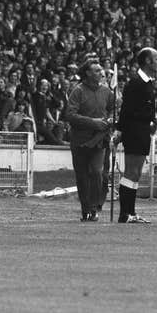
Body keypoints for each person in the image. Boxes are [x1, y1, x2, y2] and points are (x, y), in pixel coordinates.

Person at [113, 47, 157, 223]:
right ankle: (125, 213)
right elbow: (126, 110)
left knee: (136, 174)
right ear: (147, 61)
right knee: (131, 172)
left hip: (141, 131)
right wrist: (120, 130)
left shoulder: (146, 82)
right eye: (156, 59)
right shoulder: (136, 82)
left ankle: (130, 212)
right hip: (134, 132)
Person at [66, 58, 114, 222]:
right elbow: (70, 115)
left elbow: (113, 111)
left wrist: (110, 120)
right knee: (81, 176)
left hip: (99, 140)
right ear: (87, 73)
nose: (101, 73)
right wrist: (92, 122)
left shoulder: (107, 92)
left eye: (101, 70)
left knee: (97, 171)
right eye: (96, 70)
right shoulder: (77, 91)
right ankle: (85, 209)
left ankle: (94, 207)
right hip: (80, 140)